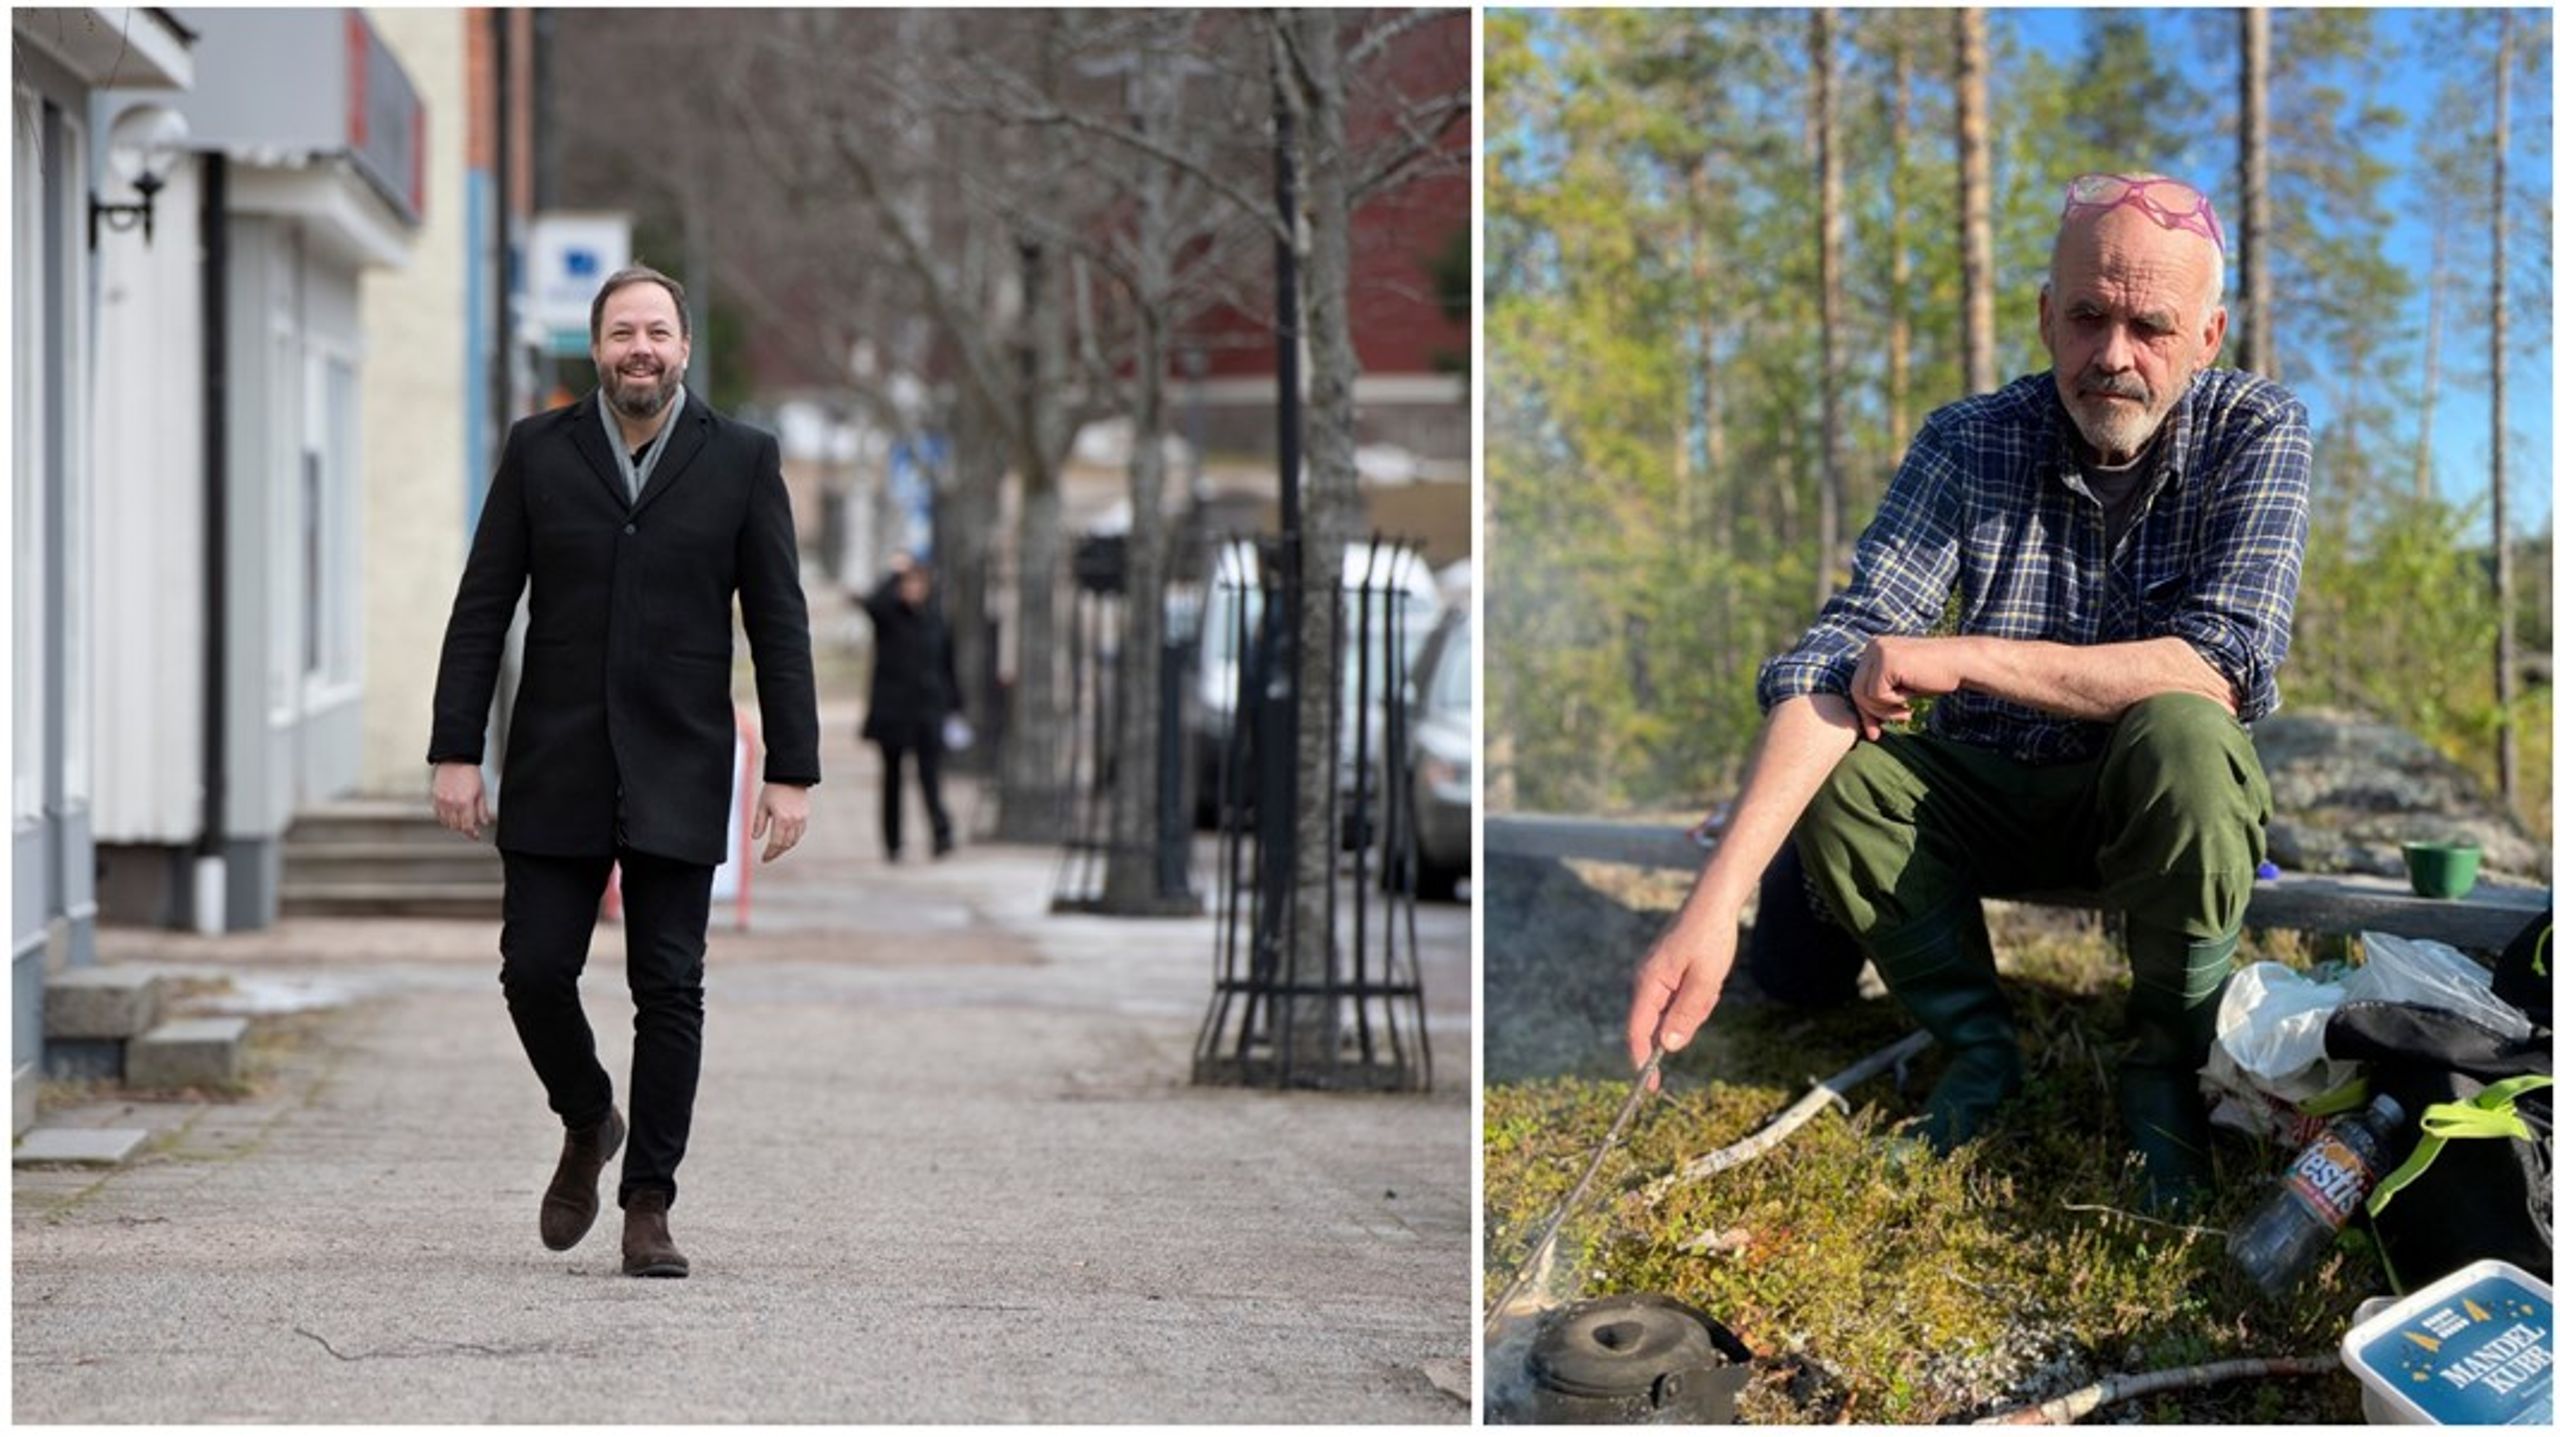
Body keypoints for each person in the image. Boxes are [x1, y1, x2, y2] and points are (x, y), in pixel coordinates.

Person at [1625, 173, 2312, 1212]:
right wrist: (1711, 904)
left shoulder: (2258, 430)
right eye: (2086, 317)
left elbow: (2221, 662)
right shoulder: (1966, 438)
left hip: (2147, 804)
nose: (2112, 355)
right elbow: (1835, 652)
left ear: (2208, 336)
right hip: (1988, 799)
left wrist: (1961, 656)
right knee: (1844, 775)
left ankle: (2162, 1066)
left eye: (2150, 326)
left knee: (2184, 732)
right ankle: (1978, 1053)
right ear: (2045, 315)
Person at [428, 264, 821, 1277]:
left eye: (656, 331)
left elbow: (778, 624)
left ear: (684, 348)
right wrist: (454, 751)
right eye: (620, 333)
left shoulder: (740, 459)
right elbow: (483, 608)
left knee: (670, 987)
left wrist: (792, 770)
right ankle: (587, 1115)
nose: (638, 349)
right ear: (595, 350)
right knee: (534, 971)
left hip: (680, 761)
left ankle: (649, 1202)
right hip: (555, 759)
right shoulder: (538, 452)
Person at [858, 554, 961, 862]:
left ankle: (941, 834)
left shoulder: (935, 619)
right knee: (892, 779)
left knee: (930, 777)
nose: (914, 590)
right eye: (908, 584)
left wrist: (955, 704)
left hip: (928, 710)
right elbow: (871, 603)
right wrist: (894, 572)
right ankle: (893, 842)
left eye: (919, 584)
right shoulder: (888, 616)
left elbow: (948, 664)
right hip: (893, 712)